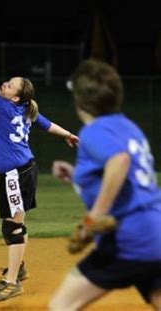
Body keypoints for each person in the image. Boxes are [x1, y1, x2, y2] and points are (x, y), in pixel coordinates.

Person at [0, 11, 80, 302]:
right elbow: (46, 125)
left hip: (16, 175)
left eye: (10, 86)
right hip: (22, 172)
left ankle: (12, 282)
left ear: (14, 98)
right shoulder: (24, 109)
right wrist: (67, 135)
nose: (5, 85)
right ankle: (18, 267)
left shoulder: (1, 107)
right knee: (15, 224)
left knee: (13, 227)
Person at [49, 59, 161, 310]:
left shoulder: (94, 130)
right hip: (156, 234)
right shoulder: (129, 126)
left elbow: (119, 161)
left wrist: (94, 217)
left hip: (129, 239)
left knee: (62, 305)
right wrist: (78, 175)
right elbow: (127, 172)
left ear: (79, 102)